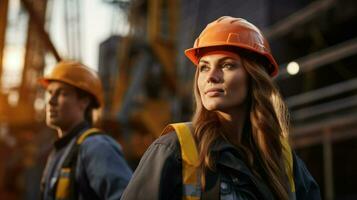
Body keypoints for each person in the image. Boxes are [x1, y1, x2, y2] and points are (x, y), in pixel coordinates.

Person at [121, 16, 321, 200]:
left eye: (227, 65)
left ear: (254, 78)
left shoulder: (283, 158)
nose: (211, 77)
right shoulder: (175, 149)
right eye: (204, 67)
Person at [39, 61, 133, 200]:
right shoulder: (58, 152)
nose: (51, 101)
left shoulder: (96, 147)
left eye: (62, 93)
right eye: (50, 92)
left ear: (84, 101)